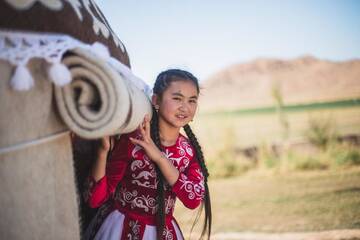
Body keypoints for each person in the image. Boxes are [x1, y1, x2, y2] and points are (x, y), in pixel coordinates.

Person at [83, 69, 212, 240]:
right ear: (156, 100)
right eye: (177, 98)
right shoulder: (133, 141)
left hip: (162, 233)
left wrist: (159, 158)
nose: (185, 107)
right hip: (118, 227)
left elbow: (193, 199)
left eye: (192, 100)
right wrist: (102, 151)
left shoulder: (189, 152)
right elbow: (95, 200)